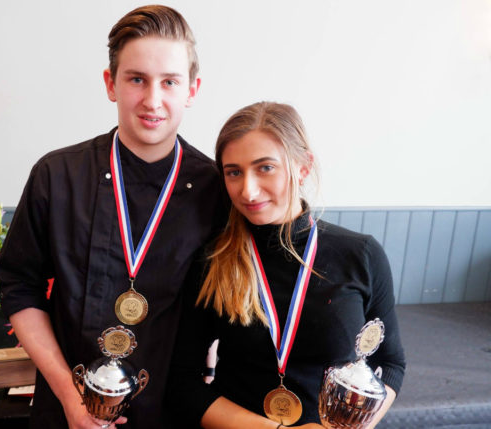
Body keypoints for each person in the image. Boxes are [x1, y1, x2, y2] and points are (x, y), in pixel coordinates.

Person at [0, 5, 224, 429]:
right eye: (137, 79)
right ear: (110, 83)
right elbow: (18, 287)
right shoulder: (57, 175)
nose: (152, 100)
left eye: (169, 82)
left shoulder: (217, 190)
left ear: (191, 89)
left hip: (174, 411)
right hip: (66, 410)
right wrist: (70, 397)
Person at [166, 102, 405, 428]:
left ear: (303, 167)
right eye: (234, 172)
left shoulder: (361, 254)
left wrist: (349, 426)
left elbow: (389, 364)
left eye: (265, 167)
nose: (248, 191)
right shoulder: (213, 260)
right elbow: (182, 382)